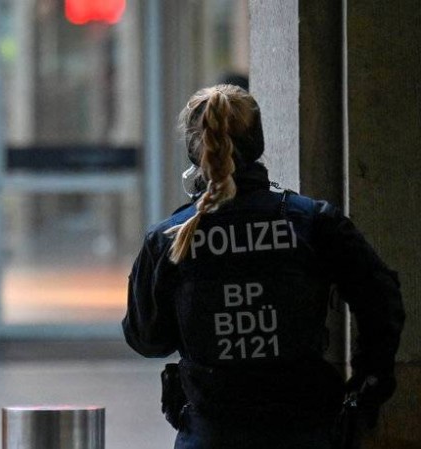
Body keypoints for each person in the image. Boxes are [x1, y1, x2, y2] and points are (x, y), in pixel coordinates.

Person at [122, 84, 404, 448]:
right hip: (305, 430)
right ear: (258, 143)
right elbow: (381, 300)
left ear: (195, 149)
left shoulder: (169, 238)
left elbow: (147, 340)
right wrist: (369, 385)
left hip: (211, 432)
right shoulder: (312, 221)